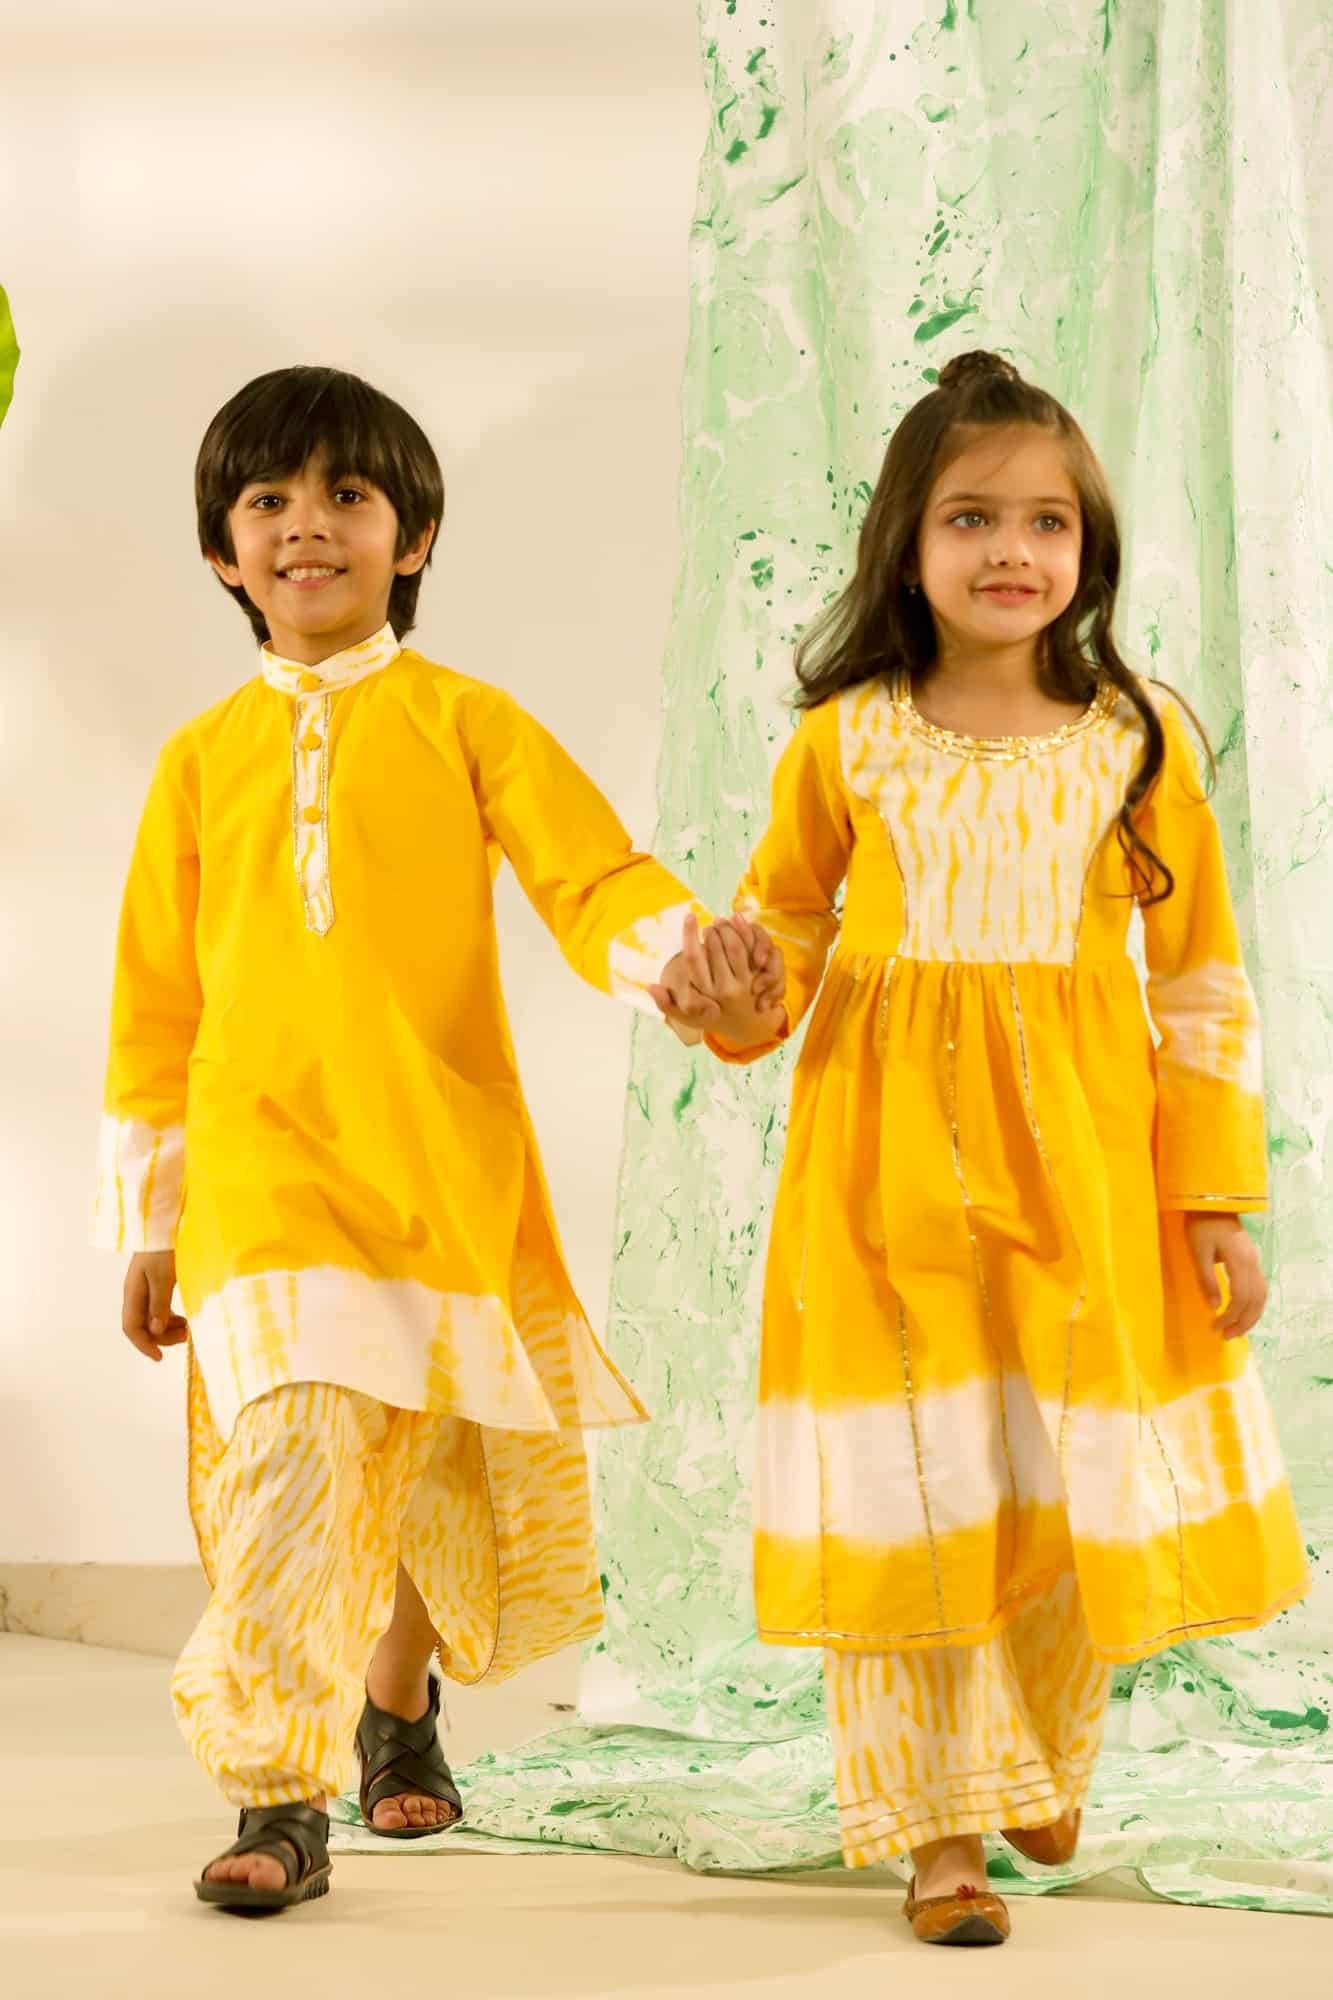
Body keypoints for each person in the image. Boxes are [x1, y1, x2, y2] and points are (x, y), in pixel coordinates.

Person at [92, 363, 781, 1912]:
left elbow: (592, 879)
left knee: (419, 1471)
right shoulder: (197, 762)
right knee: (289, 1471)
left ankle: (396, 1698)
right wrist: (150, 1217)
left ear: (411, 538)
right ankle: (280, 1792)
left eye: (347, 495)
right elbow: (154, 1005)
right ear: (220, 550)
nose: (306, 525)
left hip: (436, 1172)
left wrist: (687, 965)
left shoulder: (467, 721)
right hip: (261, 1182)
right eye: (268, 500)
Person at [651, 350, 1308, 1948]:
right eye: (969, 518)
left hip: (1083, 1173)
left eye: (1044, 522)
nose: (1010, 549)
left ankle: (1035, 1757)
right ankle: (939, 1831)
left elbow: (1201, 984)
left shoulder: (1139, 739)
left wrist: (1211, 1201)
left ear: (1087, 547)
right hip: (880, 1175)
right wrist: (731, 996)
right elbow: (778, 937)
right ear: (906, 543)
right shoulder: (847, 739)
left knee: (1063, 1475)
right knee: (912, 1480)